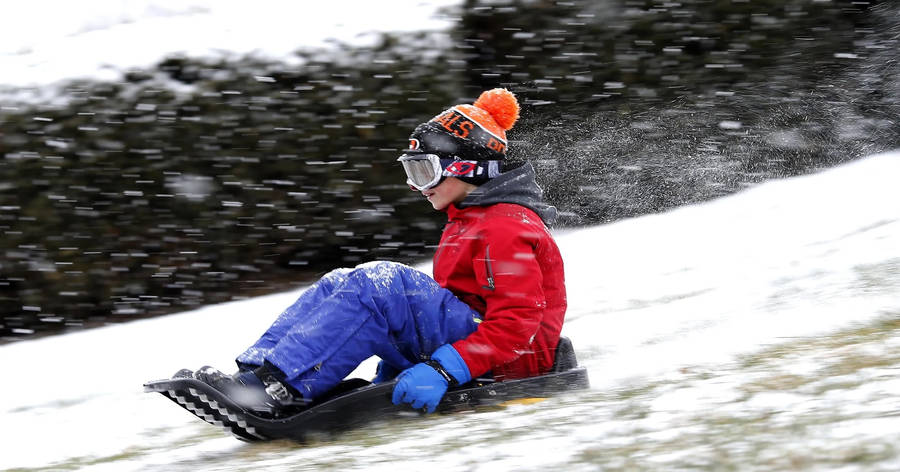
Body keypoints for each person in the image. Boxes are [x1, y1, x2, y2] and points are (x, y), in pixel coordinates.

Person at [184, 88, 567, 416]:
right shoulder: (469, 220)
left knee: (378, 285)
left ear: (468, 168)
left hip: (514, 362)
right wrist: (397, 361)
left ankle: (277, 388)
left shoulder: (504, 227)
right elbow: (443, 310)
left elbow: (516, 325)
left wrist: (444, 370)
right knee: (341, 281)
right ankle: (256, 377)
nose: (418, 188)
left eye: (425, 172)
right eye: (411, 174)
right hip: (485, 350)